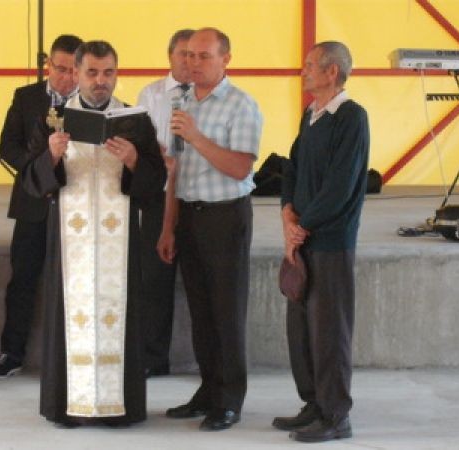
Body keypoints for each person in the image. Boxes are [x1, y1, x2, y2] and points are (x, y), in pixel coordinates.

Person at [21, 40, 165, 427]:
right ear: (76, 73)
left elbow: (155, 181)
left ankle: (119, 407)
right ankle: (66, 405)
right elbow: (30, 181)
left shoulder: (135, 120)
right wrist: (51, 155)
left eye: (108, 73)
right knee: (71, 316)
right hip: (71, 241)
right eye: (92, 73)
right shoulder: (53, 118)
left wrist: (134, 160)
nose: (101, 81)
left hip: (119, 241)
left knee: (120, 315)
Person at [157, 27, 263, 431]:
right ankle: (208, 391)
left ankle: (230, 399)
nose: (194, 63)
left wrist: (196, 137)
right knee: (201, 312)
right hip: (189, 216)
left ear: (225, 59)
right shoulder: (183, 102)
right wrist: (168, 227)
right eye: (189, 55)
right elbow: (175, 172)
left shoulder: (241, 105)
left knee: (226, 312)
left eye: (204, 56)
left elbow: (240, 167)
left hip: (225, 217)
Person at [274, 41, 369, 443]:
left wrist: (302, 225)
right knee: (302, 331)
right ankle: (313, 404)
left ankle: (335, 415)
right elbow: (292, 168)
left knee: (329, 333)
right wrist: (287, 212)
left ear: (332, 71)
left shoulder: (351, 117)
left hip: (330, 241)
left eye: (311, 65)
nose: (304, 71)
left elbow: (340, 186)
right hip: (304, 236)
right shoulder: (310, 115)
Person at [0, 34, 82, 379]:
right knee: (23, 278)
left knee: (76, 283)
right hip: (33, 201)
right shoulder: (26, 97)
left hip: (77, 206)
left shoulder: (93, 102)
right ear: (48, 65)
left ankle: (76, 354)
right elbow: (7, 146)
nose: (67, 77)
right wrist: (39, 166)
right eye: (60, 69)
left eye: (73, 70)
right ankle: (11, 353)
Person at [136, 28, 194, 377]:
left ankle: (211, 360)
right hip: (160, 195)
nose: (188, 61)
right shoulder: (151, 94)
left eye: (194, 54)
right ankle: (153, 357)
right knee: (154, 279)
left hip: (198, 195)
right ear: (169, 56)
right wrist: (159, 157)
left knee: (202, 280)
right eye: (182, 53)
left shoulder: (209, 94)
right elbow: (141, 141)